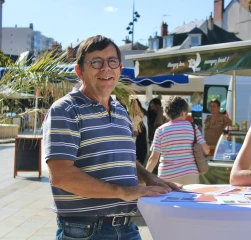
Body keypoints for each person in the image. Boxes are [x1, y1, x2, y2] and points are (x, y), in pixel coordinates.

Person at [42, 35, 180, 240]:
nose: (106, 68)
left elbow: (124, 159)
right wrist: (123, 191)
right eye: (96, 62)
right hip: (85, 231)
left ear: (120, 68)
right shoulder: (65, 109)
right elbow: (61, 175)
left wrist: (148, 177)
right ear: (79, 71)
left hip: (127, 228)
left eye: (112, 61)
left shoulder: (120, 111)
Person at [146, 96, 210, 185]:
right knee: (191, 199)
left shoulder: (160, 130)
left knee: (168, 199)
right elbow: (206, 150)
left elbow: (154, 158)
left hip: (167, 175)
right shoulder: (192, 128)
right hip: (190, 174)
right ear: (183, 113)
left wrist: (145, 178)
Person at [130, 98, 147, 166]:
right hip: (136, 145)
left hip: (139, 144)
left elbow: (136, 133)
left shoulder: (142, 118)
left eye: (135, 104)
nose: (134, 107)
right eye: (132, 105)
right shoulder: (129, 117)